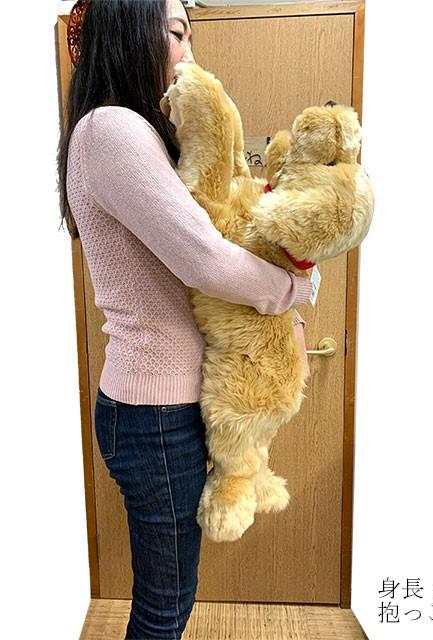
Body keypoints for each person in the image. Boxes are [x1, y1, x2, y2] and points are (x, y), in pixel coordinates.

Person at [56, 0, 312, 637]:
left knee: (168, 598)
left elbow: (205, 246)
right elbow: (203, 259)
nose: (189, 53)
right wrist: (292, 288)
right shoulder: (111, 128)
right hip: (154, 412)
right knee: (165, 605)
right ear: (129, 30)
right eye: (175, 32)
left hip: (160, 407)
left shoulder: (125, 130)